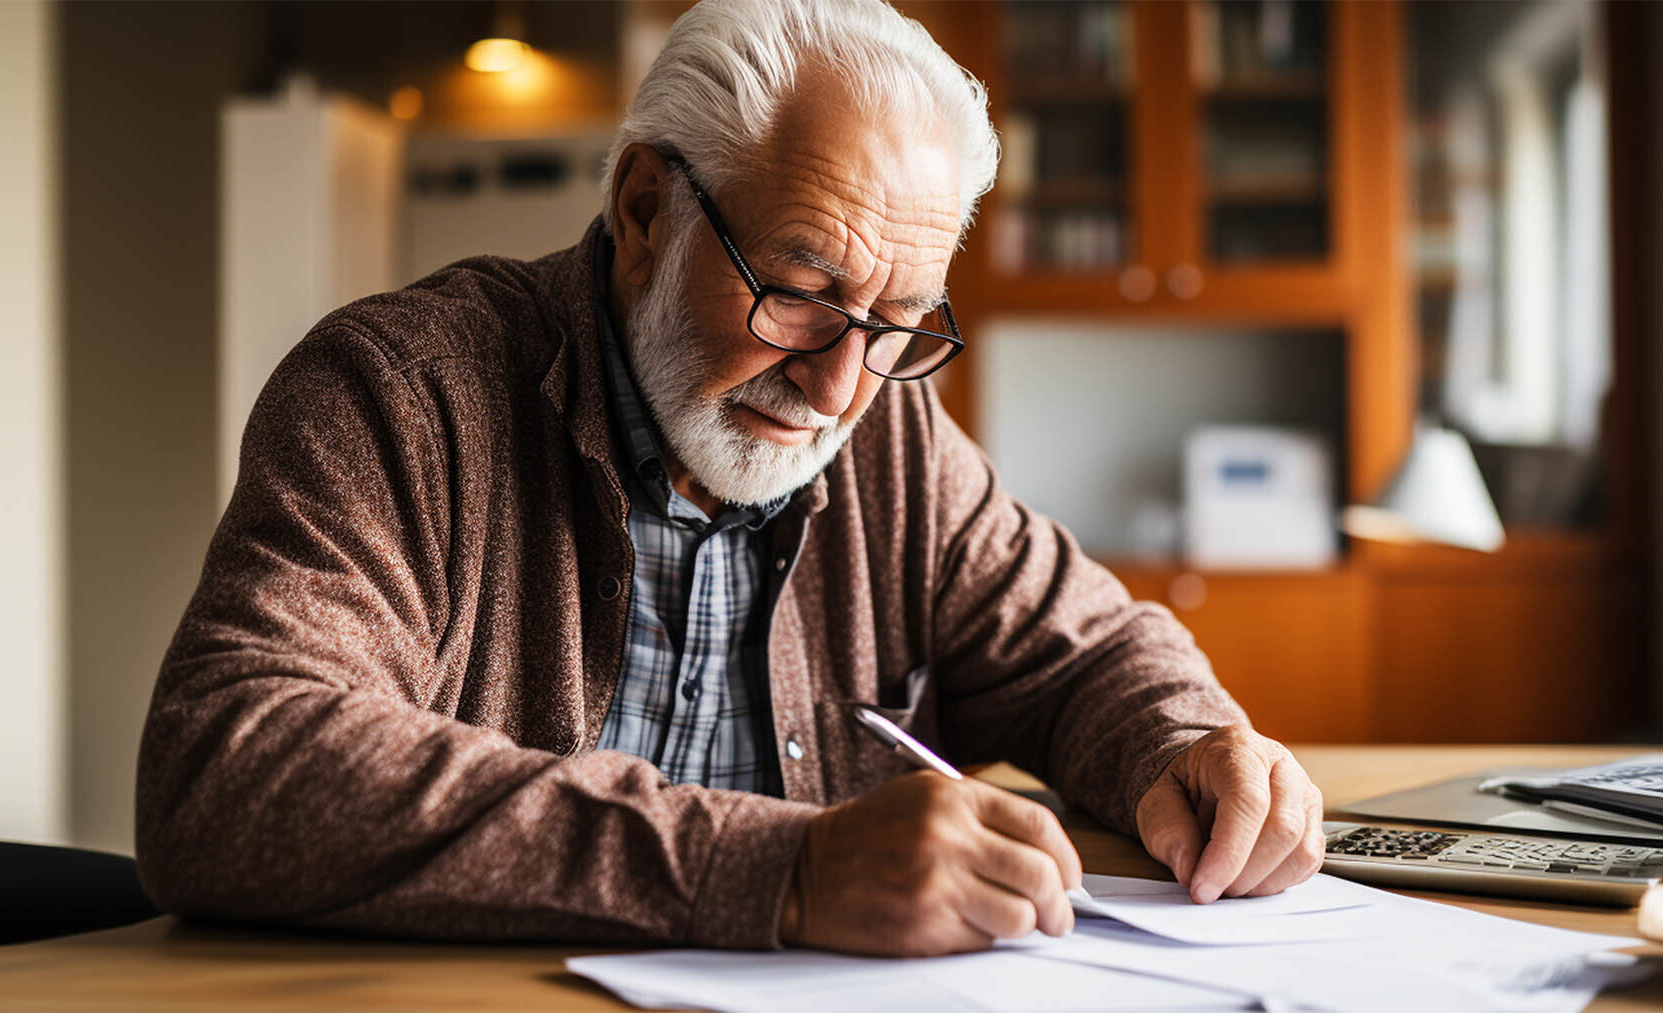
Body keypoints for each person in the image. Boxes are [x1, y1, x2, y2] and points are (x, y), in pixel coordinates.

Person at [135, 0, 1323, 958]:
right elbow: (232, 763)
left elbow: (1085, 652)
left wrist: (1190, 742)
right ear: (647, 209)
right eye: (800, 290)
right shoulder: (402, 393)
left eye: (899, 321)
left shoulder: (893, 435)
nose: (839, 386)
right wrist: (781, 869)